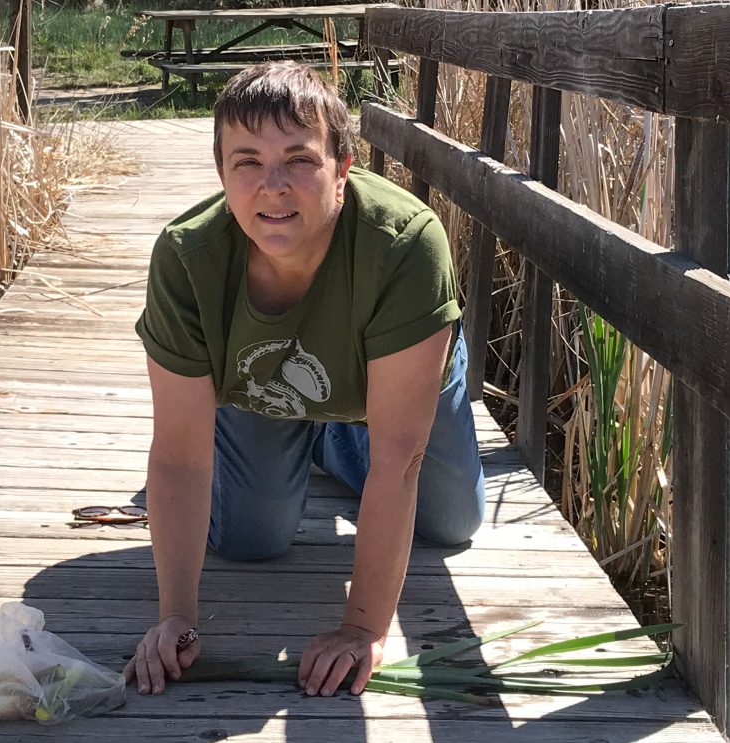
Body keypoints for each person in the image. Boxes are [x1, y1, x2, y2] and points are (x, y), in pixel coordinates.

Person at [125, 61, 485, 700]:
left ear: (342, 171)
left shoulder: (406, 244)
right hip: (261, 384)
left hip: (392, 374)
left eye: (299, 159)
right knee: (249, 540)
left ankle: (340, 435)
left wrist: (364, 628)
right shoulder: (185, 256)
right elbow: (180, 455)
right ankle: (322, 435)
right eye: (247, 162)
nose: (273, 186)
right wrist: (174, 614)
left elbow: (400, 459)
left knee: (450, 524)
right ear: (221, 175)